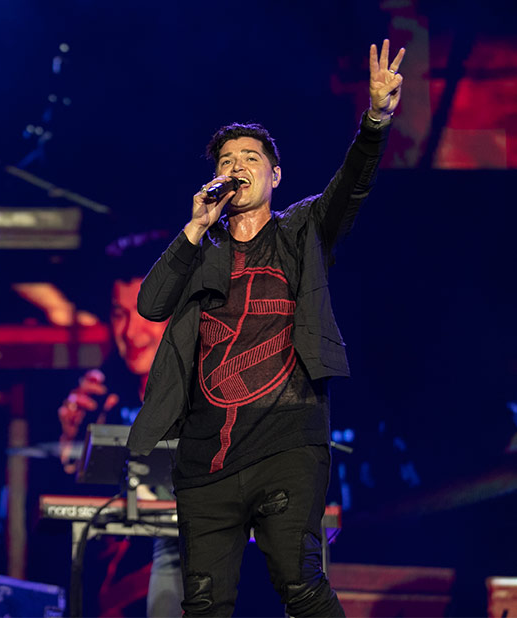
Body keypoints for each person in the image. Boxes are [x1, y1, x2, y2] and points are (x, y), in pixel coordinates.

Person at [125, 39, 406, 617]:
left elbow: (349, 187)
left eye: (249, 159)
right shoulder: (201, 250)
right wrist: (193, 229)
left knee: (299, 585)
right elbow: (151, 306)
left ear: (275, 175)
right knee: (202, 604)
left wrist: (374, 120)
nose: (236, 169)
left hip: (286, 442)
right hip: (204, 459)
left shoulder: (301, 231)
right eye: (225, 163)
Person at [57, 231, 183, 617]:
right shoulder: (106, 398)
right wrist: (70, 451)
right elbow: (71, 525)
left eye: (146, 312)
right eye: (119, 314)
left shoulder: (215, 393)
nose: (131, 332)